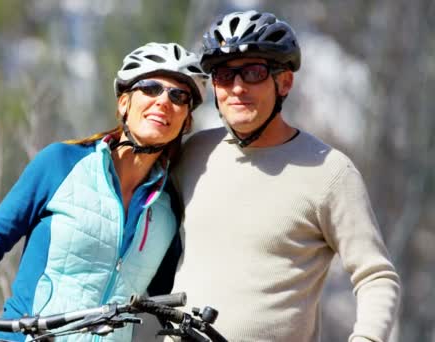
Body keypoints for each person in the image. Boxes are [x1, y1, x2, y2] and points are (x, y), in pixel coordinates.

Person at [0, 42, 208, 342]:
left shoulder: (168, 207)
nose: (163, 101)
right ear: (124, 103)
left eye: (178, 96)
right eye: (151, 88)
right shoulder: (61, 163)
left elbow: (167, 298)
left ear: (185, 119)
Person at [170, 10, 401, 342]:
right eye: (223, 75)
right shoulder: (193, 154)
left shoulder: (330, 172)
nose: (237, 88)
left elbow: (376, 277)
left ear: (285, 82)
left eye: (253, 72)